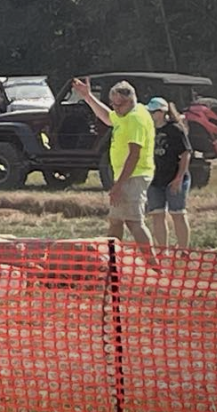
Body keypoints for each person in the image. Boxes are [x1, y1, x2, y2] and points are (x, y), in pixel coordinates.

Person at [71, 78, 159, 269]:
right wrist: (88, 96)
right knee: (116, 220)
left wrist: (118, 185)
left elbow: (134, 154)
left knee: (134, 221)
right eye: (113, 104)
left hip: (134, 175)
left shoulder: (135, 118)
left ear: (130, 100)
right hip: (126, 175)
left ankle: (154, 265)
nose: (115, 109)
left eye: (118, 105)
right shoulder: (125, 113)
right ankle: (111, 262)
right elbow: (108, 117)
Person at [145, 96, 192, 251]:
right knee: (157, 215)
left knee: (177, 214)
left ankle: (183, 249)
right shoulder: (147, 130)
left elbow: (185, 154)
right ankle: (162, 250)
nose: (150, 114)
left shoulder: (175, 130)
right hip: (155, 180)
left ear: (162, 112)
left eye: (153, 111)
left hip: (174, 178)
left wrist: (178, 179)